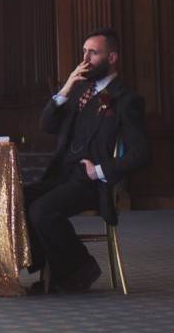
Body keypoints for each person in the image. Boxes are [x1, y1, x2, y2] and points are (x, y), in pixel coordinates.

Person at [25, 28, 149, 294]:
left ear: (112, 57)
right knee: (19, 199)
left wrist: (100, 171)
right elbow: (46, 125)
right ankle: (54, 271)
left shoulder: (126, 99)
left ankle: (79, 268)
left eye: (94, 52)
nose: (86, 58)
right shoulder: (79, 91)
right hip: (63, 175)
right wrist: (66, 87)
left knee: (41, 211)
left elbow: (141, 154)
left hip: (93, 182)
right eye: (84, 52)